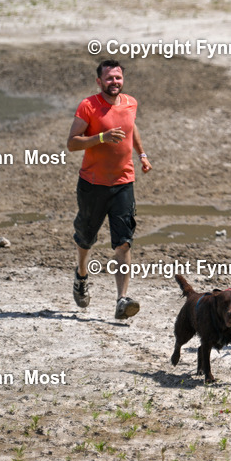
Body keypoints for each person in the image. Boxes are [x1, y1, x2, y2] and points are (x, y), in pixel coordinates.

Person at [67, 59, 152, 319]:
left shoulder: (130, 103)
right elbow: (72, 143)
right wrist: (101, 138)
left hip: (123, 182)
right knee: (86, 238)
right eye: (109, 78)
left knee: (123, 243)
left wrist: (142, 154)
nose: (114, 82)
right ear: (99, 81)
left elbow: (131, 127)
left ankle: (121, 300)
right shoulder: (88, 106)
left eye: (118, 77)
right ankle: (81, 275)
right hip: (93, 184)